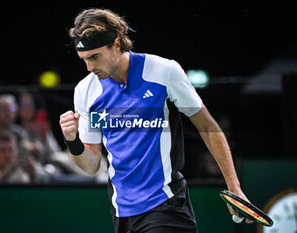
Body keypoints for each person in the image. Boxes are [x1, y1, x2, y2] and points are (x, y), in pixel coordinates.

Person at [59, 8, 251, 233]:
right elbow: (91, 165)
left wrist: (234, 185)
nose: (90, 67)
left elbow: (206, 125)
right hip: (122, 212)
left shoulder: (163, 71)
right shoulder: (85, 90)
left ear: (117, 44)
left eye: (95, 57)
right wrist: (72, 141)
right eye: (84, 60)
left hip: (166, 204)